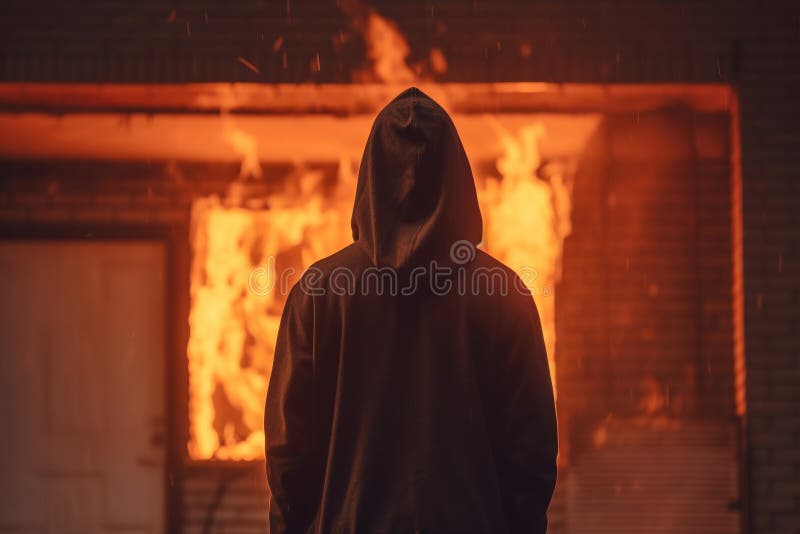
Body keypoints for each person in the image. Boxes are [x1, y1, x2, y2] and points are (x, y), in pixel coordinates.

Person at [265, 87, 557, 534]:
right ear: (457, 177)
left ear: (371, 177)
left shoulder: (319, 292)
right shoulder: (503, 294)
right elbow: (530, 458)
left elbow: (290, 456)